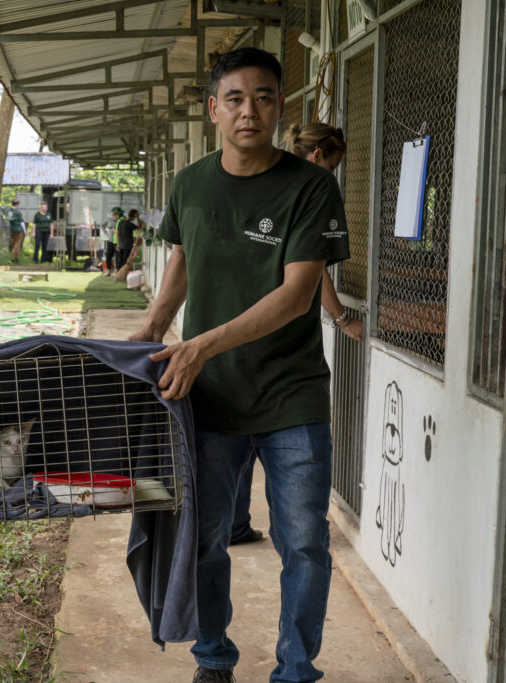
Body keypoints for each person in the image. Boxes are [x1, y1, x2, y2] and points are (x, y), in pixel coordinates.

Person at [129, 47, 349, 683]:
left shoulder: (310, 186)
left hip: (291, 397)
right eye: (235, 98)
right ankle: (213, 659)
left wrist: (198, 344)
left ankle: (296, 670)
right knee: (203, 541)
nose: (249, 110)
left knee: (303, 543)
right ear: (212, 109)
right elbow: (184, 262)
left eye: (263, 97)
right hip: (208, 399)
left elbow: (297, 294)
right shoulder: (191, 182)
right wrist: (151, 328)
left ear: (281, 106)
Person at [230, 121, 358, 547]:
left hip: (237, 336)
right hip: (279, 342)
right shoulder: (314, 190)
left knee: (239, 437)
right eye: (334, 165)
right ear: (320, 156)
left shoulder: (262, 184)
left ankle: (235, 522)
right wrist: (342, 319)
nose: (333, 174)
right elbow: (313, 274)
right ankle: (283, 529)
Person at [103, 206, 122, 274]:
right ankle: (108, 269)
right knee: (108, 255)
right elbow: (102, 225)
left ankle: (116, 270)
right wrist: (105, 232)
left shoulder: (120, 220)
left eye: (114, 213)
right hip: (110, 240)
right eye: (112, 213)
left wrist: (113, 230)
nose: (113, 214)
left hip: (117, 241)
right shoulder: (109, 219)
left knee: (117, 256)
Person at [7, 197, 25, 263]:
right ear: (17, 204)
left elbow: (8, 221)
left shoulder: (9, 211)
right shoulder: (18, 212)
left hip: (11, 230)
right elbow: (22, 222)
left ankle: (14, 257)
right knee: (17, 245)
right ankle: (15, 258)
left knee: (14, 244)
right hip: (18, 230)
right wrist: (24, 231)